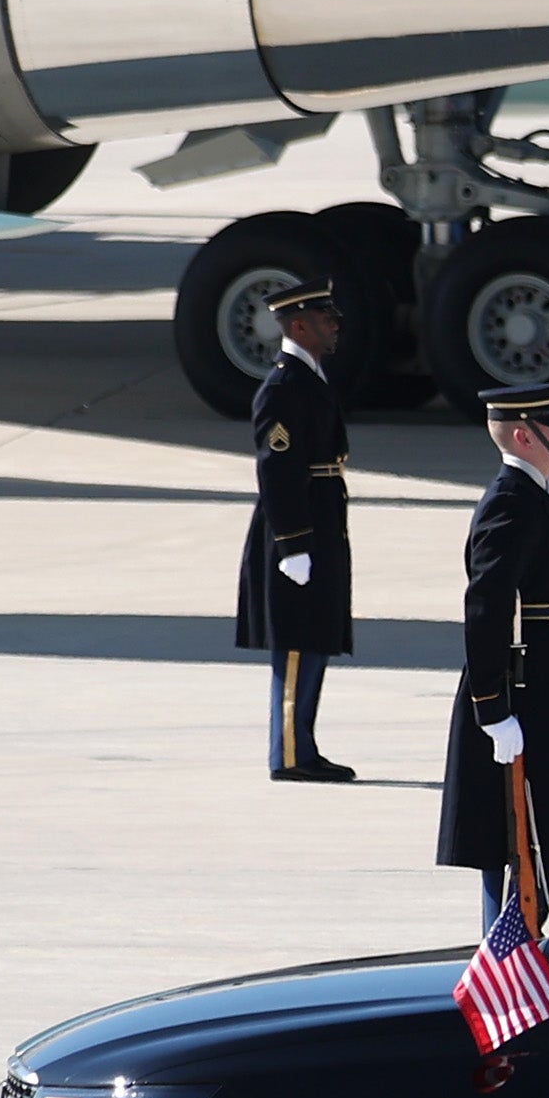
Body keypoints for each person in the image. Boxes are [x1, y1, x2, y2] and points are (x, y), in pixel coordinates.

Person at [437, 380, 549, 922]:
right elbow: (486, 610)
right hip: (522, 694)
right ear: (525, 436)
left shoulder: (541, 494)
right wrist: (493, 709)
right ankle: (502, 964)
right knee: (514, 843)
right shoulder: (511, 502)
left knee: (544, 832)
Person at [233, 277, 354, 782]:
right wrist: (293, 545)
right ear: (299, 325)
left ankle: (302, 744)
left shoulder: (310, 378)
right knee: (300, 643)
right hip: (299, 527)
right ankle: (288, 754)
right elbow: (278, 471)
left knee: (317, 637)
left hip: (320, 520)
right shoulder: (284, 388)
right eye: (325, 320)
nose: (334, 327)